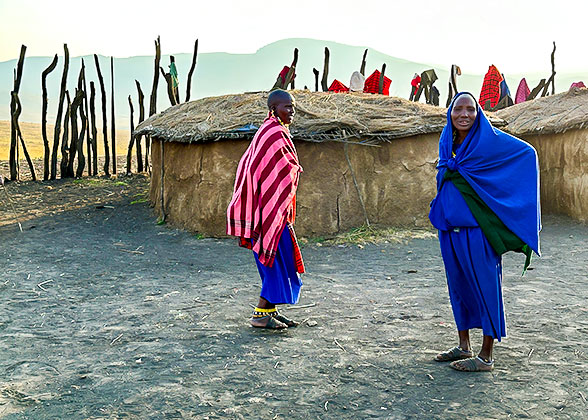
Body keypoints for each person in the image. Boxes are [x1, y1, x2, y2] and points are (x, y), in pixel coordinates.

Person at [429, 92, 541, 371]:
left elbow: (527, 154)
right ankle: (464, 345)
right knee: (459, 287)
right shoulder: (447, 144)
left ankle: (486, 356)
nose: (464, 114)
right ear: (450, 112)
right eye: (458, 109)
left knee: (486, 287)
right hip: (449, 229)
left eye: (470, 109)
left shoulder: (487, 144)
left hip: (478, 232)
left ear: (479, 114)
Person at [227, 89, 304, 329]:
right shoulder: (272, 133)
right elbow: (275, 171)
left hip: (273, 210)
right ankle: (260, 316)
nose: (291, 111)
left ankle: (269, 311)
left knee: (281, 260)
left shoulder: (274, 131)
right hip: (269, 211)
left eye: (293, 107)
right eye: (286, 107)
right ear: (274, 109)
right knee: (274, 260)